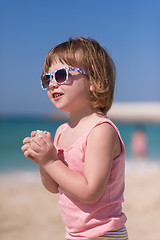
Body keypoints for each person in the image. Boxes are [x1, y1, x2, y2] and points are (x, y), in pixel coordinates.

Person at [21, 37, 128, 240]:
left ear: (94, 81)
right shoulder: (62, 131)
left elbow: (90, 191)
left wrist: (51, 161)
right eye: (47, 78)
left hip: (104, 233)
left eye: (61, 75)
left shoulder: (100, 130)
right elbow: (54, 187)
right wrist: (43, 161)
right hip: (74, 234)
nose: (52, 84)